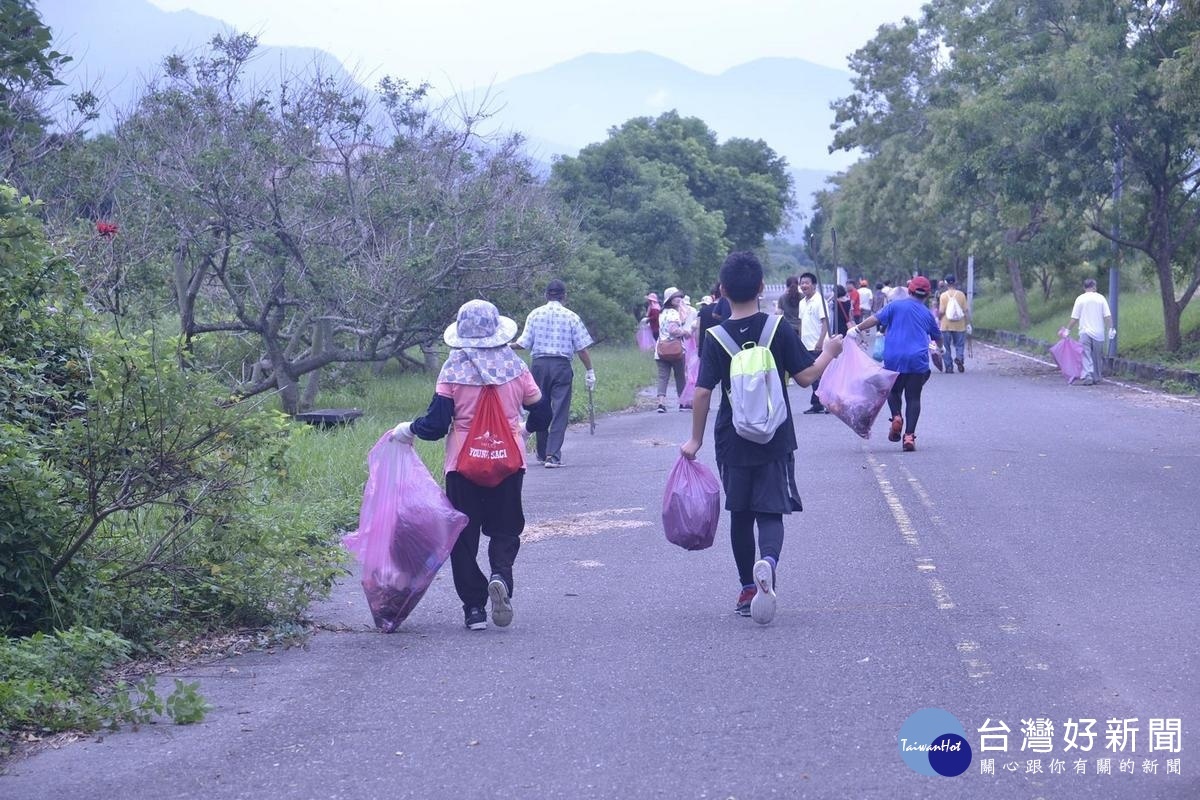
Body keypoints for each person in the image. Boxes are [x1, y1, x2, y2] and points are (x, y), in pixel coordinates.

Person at [680, 251, 843, 624]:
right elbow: (805, 377)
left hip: (732, 439)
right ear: (760, 287)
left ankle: (747, 588)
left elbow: (703, 392)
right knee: (771, 510)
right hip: (775, 435)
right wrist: (830, 352)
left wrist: (695, 440)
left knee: (741, 513)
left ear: (722, 291)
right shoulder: (777, 327)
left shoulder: (715, 337)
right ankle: (767, 562)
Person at [390, 299, 551, 631]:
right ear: (496, 330)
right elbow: (543, 412)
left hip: (462, 466)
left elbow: (436, 425)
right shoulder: (516, 367)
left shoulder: (452, 369)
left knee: (463, 538)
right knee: (505, 529)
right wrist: (524, 428)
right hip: (509, 462)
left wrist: (408, 429)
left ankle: (474, 609)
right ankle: (500, 577)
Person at [848, 275, 942, 452]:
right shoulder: (927, 314)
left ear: (910, 290)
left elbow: (874, 320)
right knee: (913, 397)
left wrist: (856, 329)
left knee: (893, 390)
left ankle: (896, 416)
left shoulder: (894, 305)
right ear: (927, 295)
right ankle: (909, 436)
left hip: (894, 358)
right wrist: (941, 349)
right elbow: (938, 337)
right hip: (917, 360)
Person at [511, 279, 595, 468]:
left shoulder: (535, 314)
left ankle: (541, 453)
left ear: (546, 295)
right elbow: (582, 349)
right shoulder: (571, 316)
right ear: (564, 296)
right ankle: (553, 456)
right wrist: (589, 370)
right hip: (561, 366)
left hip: (539, 365)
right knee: (560, 411)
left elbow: (523, 343)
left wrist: (505, 345)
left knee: (540, 406)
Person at [1060, 278, 1114, 385]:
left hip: (1084, 332)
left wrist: (1067, 330)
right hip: (1098, 333)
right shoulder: (1101, 298)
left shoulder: (1080, 299)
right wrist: (1111, 329)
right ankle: (1097, 377)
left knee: (1086, 354)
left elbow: (1074, 318)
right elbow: (1107, 316)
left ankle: (1088, 375)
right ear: (1094, 286)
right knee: (1097, 355)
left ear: (1084, 288)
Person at [654, 287, 692, 412]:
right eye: (676, 296)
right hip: (675, 349)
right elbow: (673, 330)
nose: (679, 299)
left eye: (680, 296)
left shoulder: (662, 313)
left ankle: (661, 403)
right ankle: (683, 403)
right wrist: (685, 333)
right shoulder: (674, 313)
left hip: (661, 349)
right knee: (680, 376)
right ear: (670, 299)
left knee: (662, 377)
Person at [797, 272, 830, 414]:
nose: (804, 285)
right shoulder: (802, 302)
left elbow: (825, 322)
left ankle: (828, 402)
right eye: (802, 283)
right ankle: (817, 403)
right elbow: (801, 323)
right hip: (806, 344)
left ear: (814, 285)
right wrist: (798, 340)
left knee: (823, 375)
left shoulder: (819, 300)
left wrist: (821, 341)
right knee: (814, 375)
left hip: (819, 344)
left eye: (807, 283)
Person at [937, 274, 970, 373]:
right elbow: (966, 310)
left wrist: (938, 319)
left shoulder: (943, 295)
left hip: (946, 325)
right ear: (955, 282)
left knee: (946, 347)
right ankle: (959, 358)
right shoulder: (961, 295)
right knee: (959, 345)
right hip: (960, 325)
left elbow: (942, 311)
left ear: (946, 283)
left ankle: (949, 367)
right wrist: (968, 323)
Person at [697, 283, 731, 358]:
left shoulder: (703, 310)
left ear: (713, 295)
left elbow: (698, 328)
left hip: (706, 346)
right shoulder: (730, 308)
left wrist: (698, 345)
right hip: (725, 346)